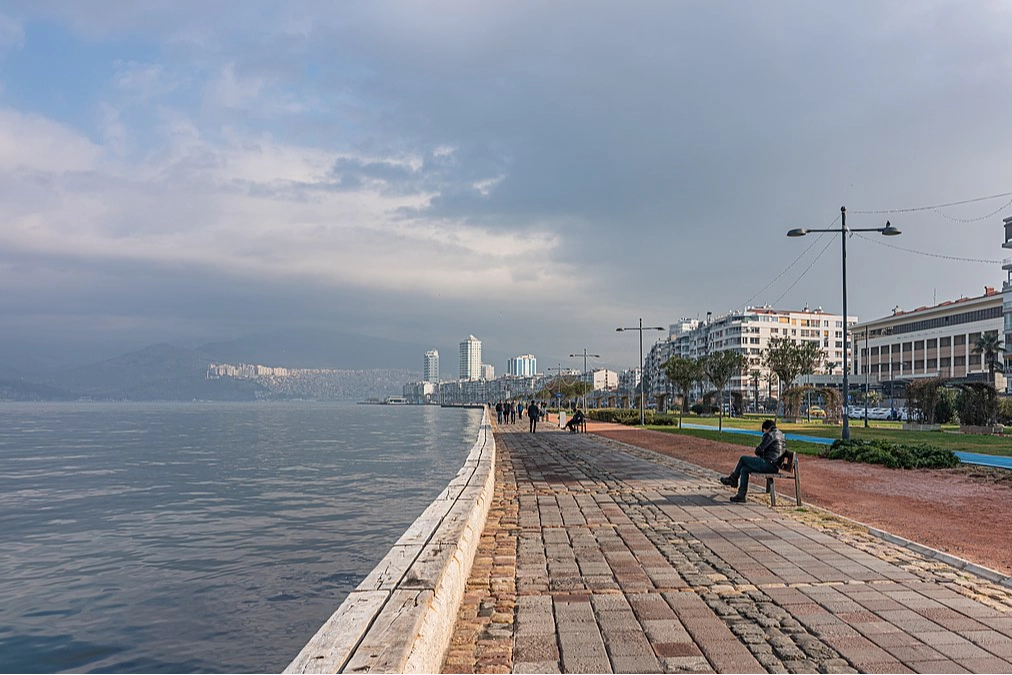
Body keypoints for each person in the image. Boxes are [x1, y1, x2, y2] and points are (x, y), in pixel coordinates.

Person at [719, 419, 785, 503]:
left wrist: (763, 443)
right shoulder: (780, 434)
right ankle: (741, 495)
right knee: (744, 469)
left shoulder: (770, 435)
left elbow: (758, 450)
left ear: (767, 428)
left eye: (764, 431)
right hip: (774, 465)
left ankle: (734, 479)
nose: (764, 433)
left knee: (743, 459)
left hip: (768, 464)